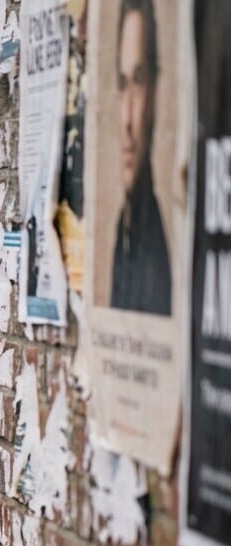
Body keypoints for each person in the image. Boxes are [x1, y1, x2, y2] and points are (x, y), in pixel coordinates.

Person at [109, 0, 172, 315]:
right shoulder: (124, 230)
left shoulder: (159, 243)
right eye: (122, 84)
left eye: (139, 80)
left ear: (156, 90)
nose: (128, 121)